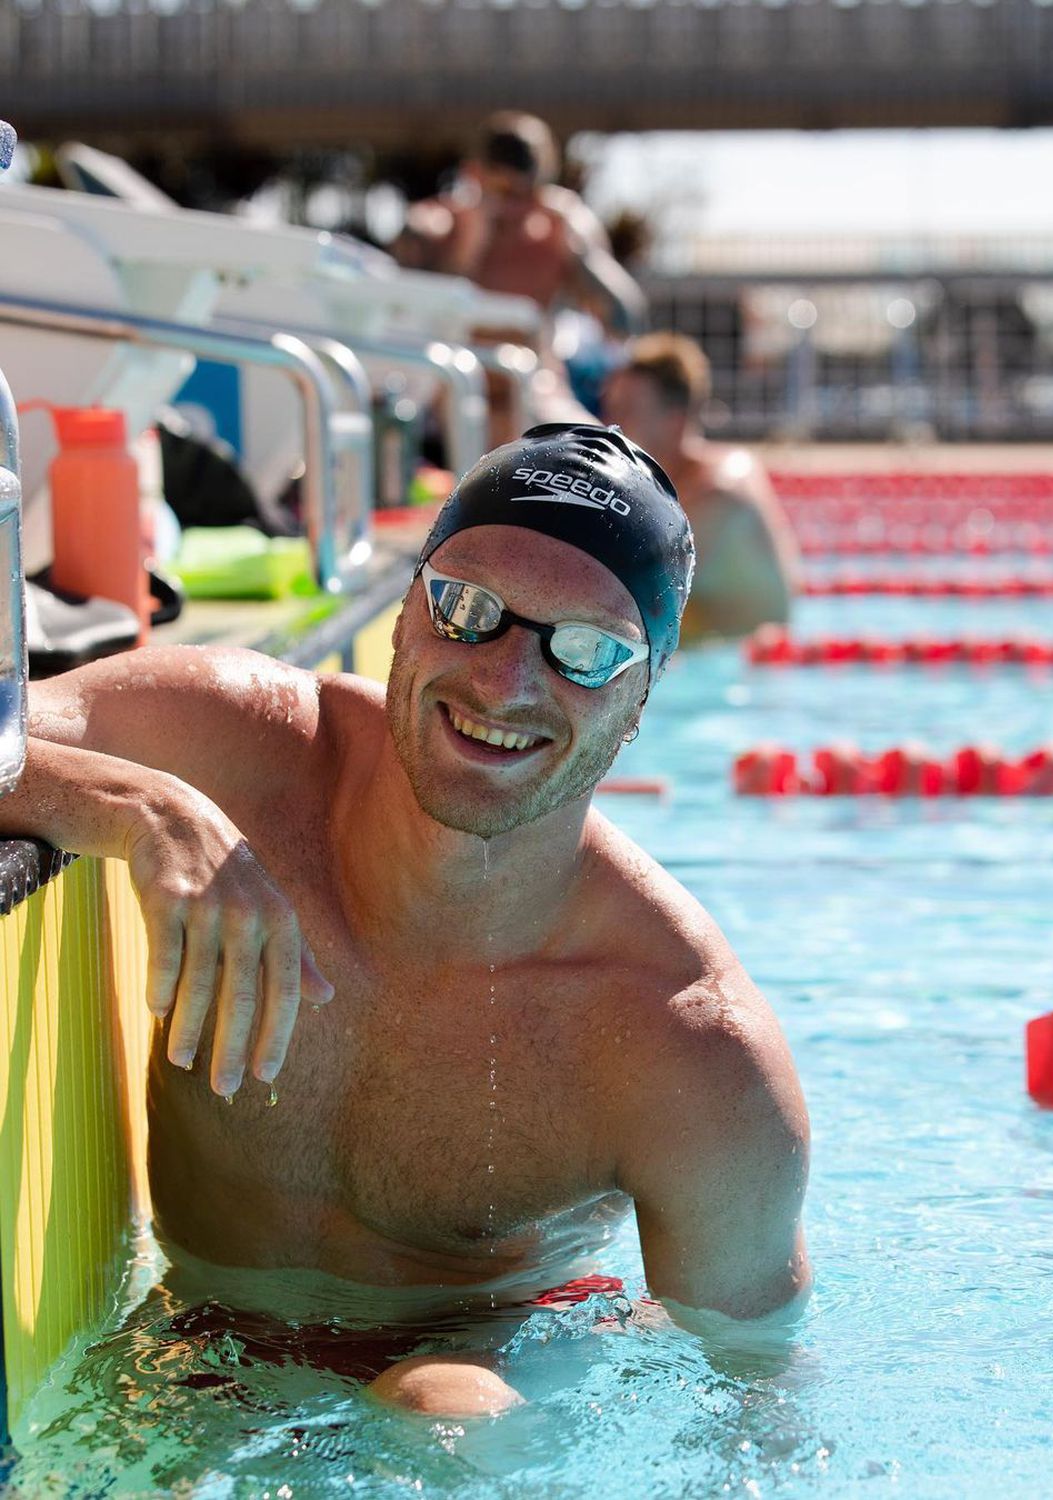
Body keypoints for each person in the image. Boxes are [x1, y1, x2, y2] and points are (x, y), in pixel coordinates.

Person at [3, 424, 810, 1417]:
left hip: (490, 1359)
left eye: (588, 650)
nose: (505, 681)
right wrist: (142, 809)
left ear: (641, 700)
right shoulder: (230, 748)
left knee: (442, 1415)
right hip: (189, 1344)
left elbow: (753, 1400)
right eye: (469, 608)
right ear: (404, 614)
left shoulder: (685, 1044)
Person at [394, 113, 646, 433]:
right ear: (473, 176)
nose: (512, 208)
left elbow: (625, 322)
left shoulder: (557, 232)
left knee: (598, 455)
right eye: (501, 191)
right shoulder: (435, 226)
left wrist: (579, 251)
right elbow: (404, 316)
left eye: (525, 194)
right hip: (442, 394)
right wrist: (472, 243)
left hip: (534, 391)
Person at [602, 333, 797, 643]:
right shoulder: (697, 476)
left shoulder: (718, 493)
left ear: (674, 422)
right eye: (610, 409)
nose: (609, 425)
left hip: (740, 658)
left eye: (627, 411)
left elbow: (628, 587)